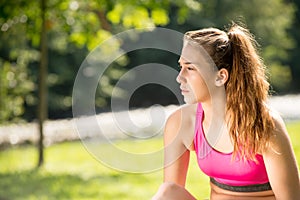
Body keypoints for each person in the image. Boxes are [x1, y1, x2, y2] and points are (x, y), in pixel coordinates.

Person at [152, 23, 300, 200]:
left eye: (190, 68)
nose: (180, 77)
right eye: (181, 67)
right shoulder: (181, 122)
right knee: (168, 192)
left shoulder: (263, 124)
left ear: (220, 76)